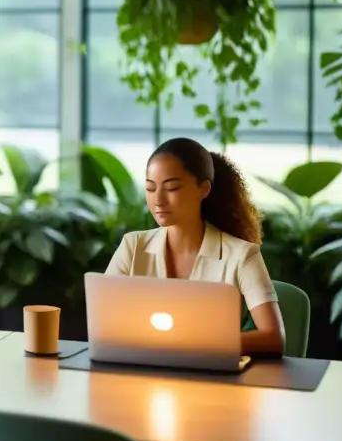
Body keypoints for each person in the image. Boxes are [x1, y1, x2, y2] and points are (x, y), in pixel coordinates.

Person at [106, 137, 286, 357]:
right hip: (142, 372)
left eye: (171, 188)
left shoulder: (241, 255)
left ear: (204, 189)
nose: (158, 200)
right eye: (150, 189)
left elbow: (273, 337)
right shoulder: (132, 246)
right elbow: (105, 325)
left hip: (212, 380)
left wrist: (194, 345)